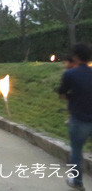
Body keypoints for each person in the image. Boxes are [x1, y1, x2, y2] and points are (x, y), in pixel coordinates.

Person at [58, 43, 92, 191]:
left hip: (79, 119)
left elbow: (62, 94)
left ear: (75, 57)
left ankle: (77, 181)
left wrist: (71, 97)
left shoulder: (69, 74)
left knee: (77, 151)